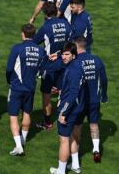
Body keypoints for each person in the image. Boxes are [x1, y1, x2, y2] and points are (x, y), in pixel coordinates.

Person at [67, 37, 107, 173]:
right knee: (94, 124)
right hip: (94, 100)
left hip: (80, 101)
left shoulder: (76, 62)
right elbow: (104, 79)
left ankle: (76, 161)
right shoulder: (97, 60)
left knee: (76, 128)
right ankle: (96, 149)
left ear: (77, 47)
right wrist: (104, 95)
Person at [6, 24, 45, 156]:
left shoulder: (17, 48)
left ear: (23, 33)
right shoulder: (40, 50)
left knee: (13, 116)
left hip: (17, 87)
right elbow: (42, 69)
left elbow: (9, 68)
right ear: (34, 34)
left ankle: (18, 146)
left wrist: (9, 80)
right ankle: (22, 140)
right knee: (27, 113)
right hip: (30, 87)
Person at [33, 2, 71, 130]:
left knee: (46, 94)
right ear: (56, 11)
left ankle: (48, 122)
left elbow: (34, 42)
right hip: (65, 63)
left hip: (50, 65)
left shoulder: (46, 27)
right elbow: (71, 43)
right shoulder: (66, 24)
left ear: (44, 13)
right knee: (63, 91)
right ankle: (65, 117)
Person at [50, 42, 85, 174]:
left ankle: (61, 171)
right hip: (77, 107)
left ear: (74, 55)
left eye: (66, 54)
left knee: (64, 139)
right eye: (63, 54)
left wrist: (64, 112)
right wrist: (60, 92)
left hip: (70, 109)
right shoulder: (75, 65)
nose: (63, 57)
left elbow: (73, 93)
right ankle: (75, 165)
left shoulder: (73, 70)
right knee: (71, 136)